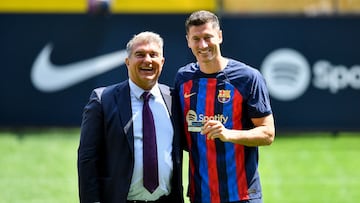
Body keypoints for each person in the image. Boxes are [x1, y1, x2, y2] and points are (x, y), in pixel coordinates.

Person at [173, 10, 275, 203]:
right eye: (196, 39)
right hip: (200, 196)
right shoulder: (183, 78)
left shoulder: (248, 77)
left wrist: (228, 134)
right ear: (188, 41)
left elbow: (268, 133)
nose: (202, 45)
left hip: (243, 195)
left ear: (219, 36)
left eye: (207, 37)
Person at [78, 31, 184, 203]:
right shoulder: (103, 100)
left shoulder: (174, 99)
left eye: (153, 55)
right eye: (140, 54)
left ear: (162, 62)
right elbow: (88, 160)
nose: (147, 60)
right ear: (127, 62)